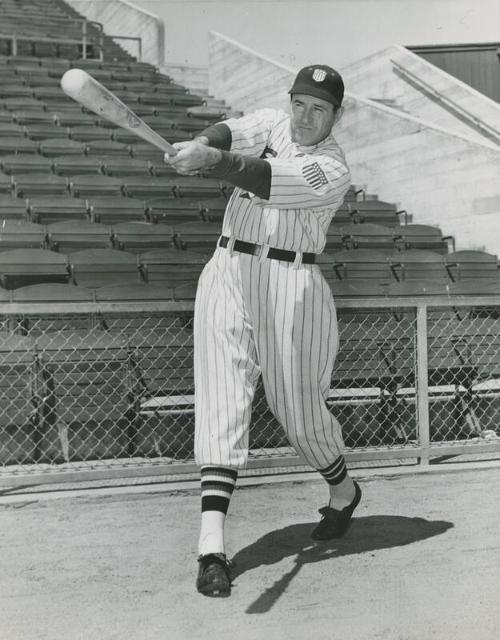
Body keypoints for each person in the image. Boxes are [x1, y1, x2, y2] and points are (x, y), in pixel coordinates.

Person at [165, 65, 362, 598]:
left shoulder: (332, 168)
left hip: (291, 280)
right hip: (228, 268)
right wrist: (200, 142)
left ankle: (343, 491)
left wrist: (214, 161)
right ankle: (211, 548)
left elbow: (269, 181)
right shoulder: (276, 124)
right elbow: (233, 130)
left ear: (336, 117)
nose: (304, 116)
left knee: (297, 411)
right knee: (222, 400)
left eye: (318, 109)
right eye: (300, 102)